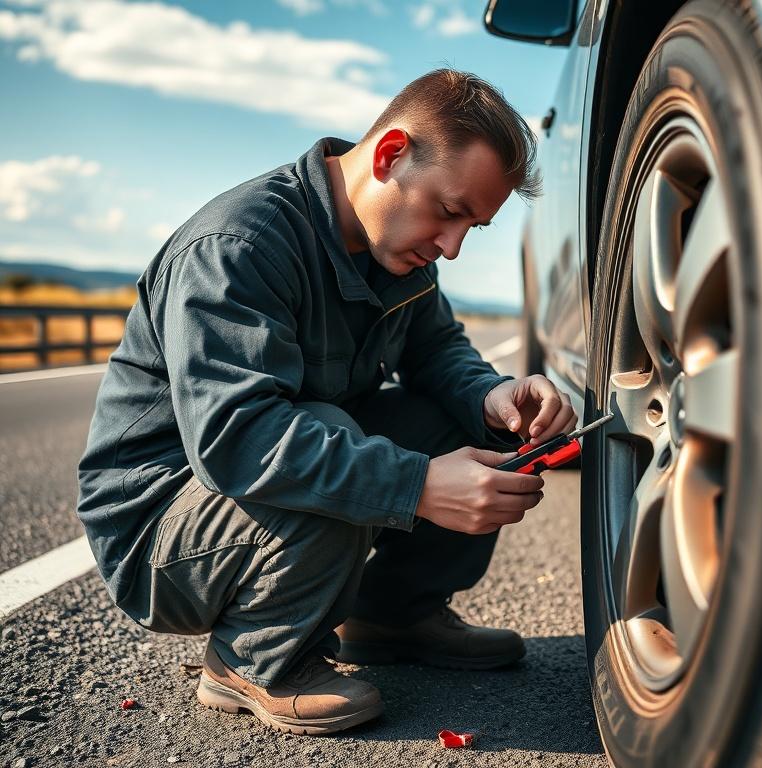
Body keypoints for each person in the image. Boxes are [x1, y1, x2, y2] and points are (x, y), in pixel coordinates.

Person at [76, 68, 577, 735]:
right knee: (330, 435)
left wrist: (495, 396)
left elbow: (435, 351)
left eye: (473, 229)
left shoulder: (400, 251)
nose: (451, 247)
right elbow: (240, 438)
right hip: (161, 526)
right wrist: (421, 486)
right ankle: (253, 659)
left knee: (471, 427)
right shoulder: (239, 246)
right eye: (450, 212)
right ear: (391, 154)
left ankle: (390, 618)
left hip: (252, 481)